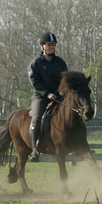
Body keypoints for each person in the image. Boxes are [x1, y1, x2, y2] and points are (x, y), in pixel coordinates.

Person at [27, 32, 67, 162]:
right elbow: (35, 82)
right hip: (41, 96)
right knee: (37, 118)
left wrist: (62, 92)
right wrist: (46, 93)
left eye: (53, 45)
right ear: (42, 46)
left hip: (57, 95)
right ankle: (34, 150)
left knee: (72, 112)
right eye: (48, 45)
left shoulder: (60, 62)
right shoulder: (35, 63)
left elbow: (65, 79)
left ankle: (75, 145)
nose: (51, 47)